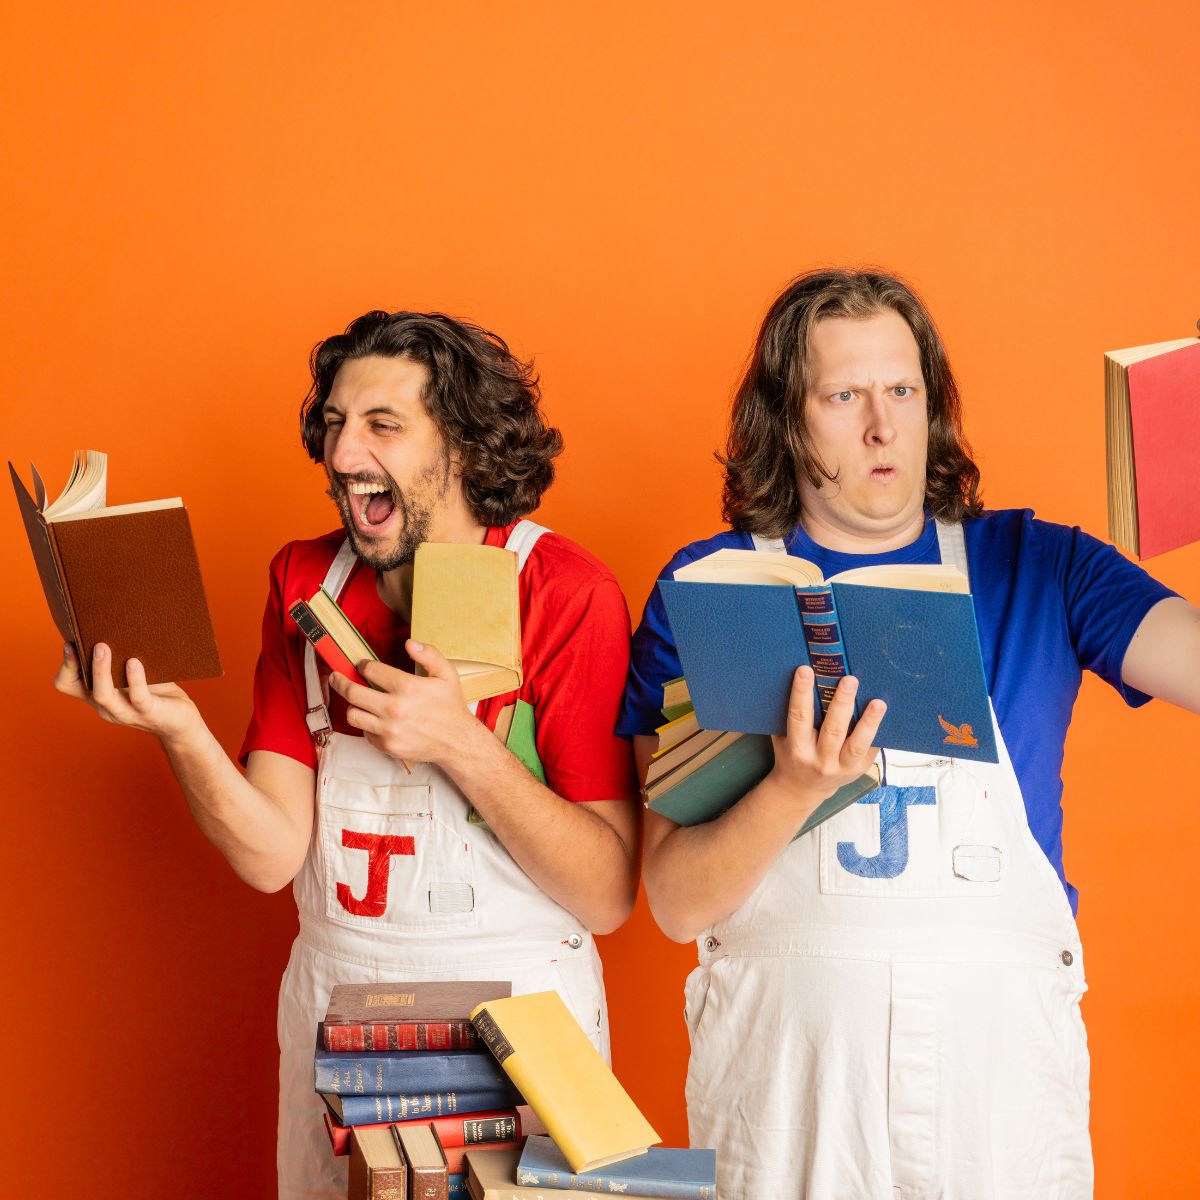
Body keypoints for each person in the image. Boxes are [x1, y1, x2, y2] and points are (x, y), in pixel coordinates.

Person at [618, 269, 1200, 1199]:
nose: (883, 426)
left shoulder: (1041, 566)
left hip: (999, 1086)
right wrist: (790, 790)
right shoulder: (713, 588)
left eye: (904, 391)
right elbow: (678, 903)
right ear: (786, 419)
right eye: (844, 396)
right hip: (790, 1089)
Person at [55, 310, 640, 1199]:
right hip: (340, 1009)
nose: (341, 452)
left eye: (382, 424)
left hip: (523, 1019)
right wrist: (179, 731)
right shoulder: (303, 583)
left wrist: (462, 747)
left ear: (466, 445)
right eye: (333, 423)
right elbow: (268, 855)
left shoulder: (567, 592)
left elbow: (604, 892)